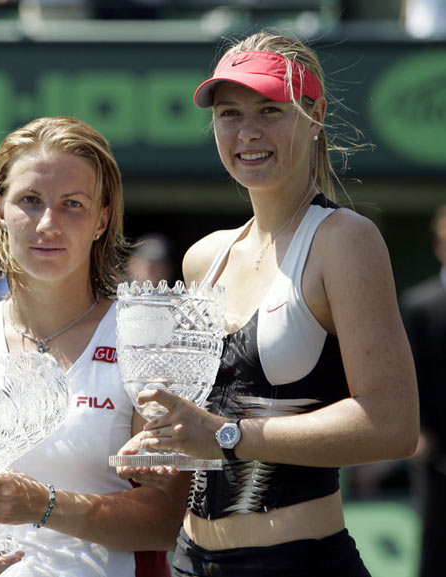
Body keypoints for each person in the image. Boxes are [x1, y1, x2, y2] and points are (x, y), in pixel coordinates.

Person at [119, 31, 419, 576]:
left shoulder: (344, 240)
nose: (248, 132)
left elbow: (393, 424)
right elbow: (198, 432)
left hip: (298, 563)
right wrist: (164, 449)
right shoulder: (202, 259)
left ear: (315, 114)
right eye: (229, 113)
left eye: (270, 110)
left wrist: (226, 436)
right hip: (190, 561)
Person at [0, 116, 189, 577]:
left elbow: (165, 520)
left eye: (72, 204)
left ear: (102, 219)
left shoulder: (148, 341)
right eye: (30, 200)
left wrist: (43, 504)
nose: (48, 224)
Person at [401, 204, 446, 577]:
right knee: (434, 547)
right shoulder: (419, 304)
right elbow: (408, 371)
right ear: (438, 247)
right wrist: (417, 432)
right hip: (436, 455)